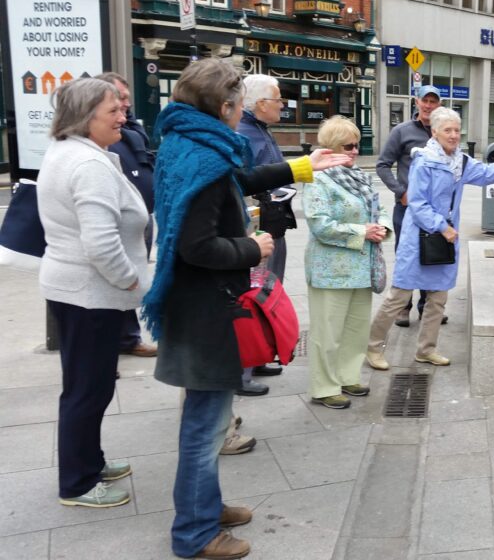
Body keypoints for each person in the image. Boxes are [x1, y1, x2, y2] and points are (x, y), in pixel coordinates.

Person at [142, 58, 348, 560]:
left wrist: (301, 165)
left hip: (196, 307)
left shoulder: (188, 142)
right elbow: (198, 246)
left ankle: (205, 507)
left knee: (208, 418)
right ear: (228, 107)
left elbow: (236, 182)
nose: (240, 114)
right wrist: (251, 250)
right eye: (238, 105)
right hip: (206, 311)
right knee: (205, 425)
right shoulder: (206, 158)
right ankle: (195, 533)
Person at [37, 78, 148, 507]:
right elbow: (100, 242)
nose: (123, 116)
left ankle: (89, 460)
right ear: (85, 118)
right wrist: (129, 279)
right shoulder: (88, 165)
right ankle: (79, 483)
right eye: (113, 111)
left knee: (86, 385)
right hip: (91, 294)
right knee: (88, 389)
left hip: (78, 291)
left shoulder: (74, 153)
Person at [366, 107, 494, 369]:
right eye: (448, 130)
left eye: (457, 130)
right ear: (434, 132)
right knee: (398, 297)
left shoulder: (461, 161)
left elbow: (486, 174)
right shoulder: (423, 161)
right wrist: (442, 227)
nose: (454, 135)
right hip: (420, 237)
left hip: (445, 239)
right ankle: (373, 349)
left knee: (438, 299)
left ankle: (426, 350)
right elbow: (418, 204)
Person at [305, 116, 392, 408]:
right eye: (349, 146)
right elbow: (319, 225)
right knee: (327, 332)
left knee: (355, 328)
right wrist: (362, 231)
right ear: (330, 149)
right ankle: (324, 387)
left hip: (361, 266)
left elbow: (378, 209)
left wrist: (381, 227)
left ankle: (347, 376)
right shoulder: (318, 178)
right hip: (330, 268)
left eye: (356, 145)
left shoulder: (361, 177)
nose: (356, 151)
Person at [96, 72, 159, 359]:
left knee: (131, 278)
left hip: (141, 218)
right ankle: (116, 342)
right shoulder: (102, 137)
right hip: (120, 222)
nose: (125, 107)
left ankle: (125, 337)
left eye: (126, 100)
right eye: (119, 100)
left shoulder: (132, 128)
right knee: (119, 281)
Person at [235, 73, 290, 395]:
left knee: (268, 292)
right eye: (278, 98)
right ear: (260, 104)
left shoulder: (258, 130)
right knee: (255, 294)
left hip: (272, 223)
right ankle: (241, 373)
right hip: (257, 228)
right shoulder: (244, 134)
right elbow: (246, 181)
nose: (282, 104)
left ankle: (256, 358)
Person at [376, 85, 443, 327]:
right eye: (425, 101)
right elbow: (382, 165)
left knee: (432, 255)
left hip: (434, 209)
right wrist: (400, 191)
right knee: (407, 256)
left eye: (433, 102)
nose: (428, 105)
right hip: (406, 209)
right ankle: (404, 307)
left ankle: (427, 306)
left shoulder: (442, 132)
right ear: (417, 102)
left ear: (439, 105)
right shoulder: (401, 131)